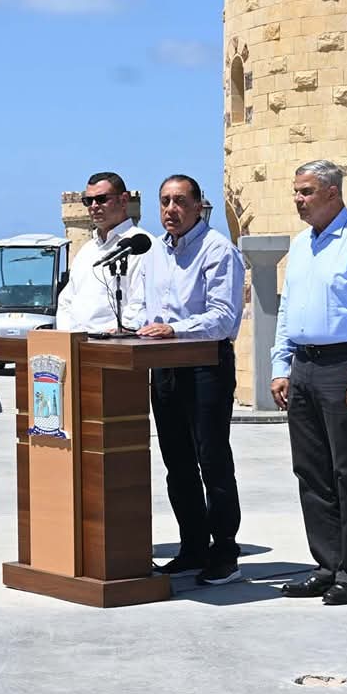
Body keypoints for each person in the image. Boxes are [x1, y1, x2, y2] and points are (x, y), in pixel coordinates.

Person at [269, 160, 347, 607]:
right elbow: (288, 309)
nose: (297, 199)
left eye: (305, 191)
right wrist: (281, 365)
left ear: (332, 194)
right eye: (296, 191)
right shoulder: (302, 245)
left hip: (345, 366)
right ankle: (326, 565)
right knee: (311, 470)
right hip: (304, 364)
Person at [132, 173, 246, 586]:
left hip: (205, 365)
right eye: (165, 201)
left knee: (212, 460)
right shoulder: (154, 253)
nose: (171, 210)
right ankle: (193, 547)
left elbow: (223, 318)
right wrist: (133, 328)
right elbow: (143, 306)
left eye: (180, 201)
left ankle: (225, 552)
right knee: (176, 462)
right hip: (164, 365)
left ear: (199, 206)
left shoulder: (218, 250)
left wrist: (174, 330)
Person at [57, 171, 148, 333]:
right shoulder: (86, 250)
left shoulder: (142, 245)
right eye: (88, 201)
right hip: (78, 342)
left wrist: (120, 333)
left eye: (101, 199)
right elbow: (66, 300)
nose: (93, 206)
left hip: (115, 342)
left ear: (124, 200)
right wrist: (67, 334)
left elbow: (141, 302)